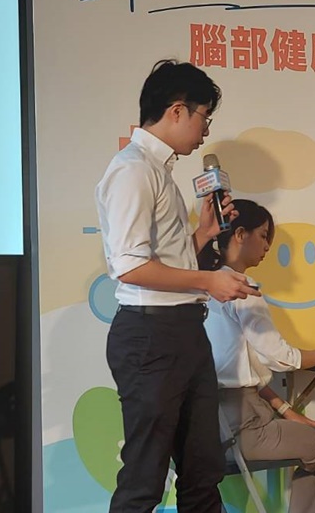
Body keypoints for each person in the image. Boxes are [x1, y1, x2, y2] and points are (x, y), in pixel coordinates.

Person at [94, 59, 259, 513]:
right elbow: (130, 266)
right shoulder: (133, 169)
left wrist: (202, 235)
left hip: (182, 332)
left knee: (203, 471)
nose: (206, 131)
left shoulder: (158, 170)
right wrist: (209, 279)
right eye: (205, 116)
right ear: (178, 110)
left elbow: (161, 260)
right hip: (152, 336)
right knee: (144, 479)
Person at [201, 199, 315, 513]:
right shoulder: (241, 288)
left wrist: (287, 411)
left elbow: (242, 367)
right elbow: (281, 358)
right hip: (245, 428)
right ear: (240, 234)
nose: (268, 246)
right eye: (263, 236)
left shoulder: (203, 287)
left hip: (210, 428)